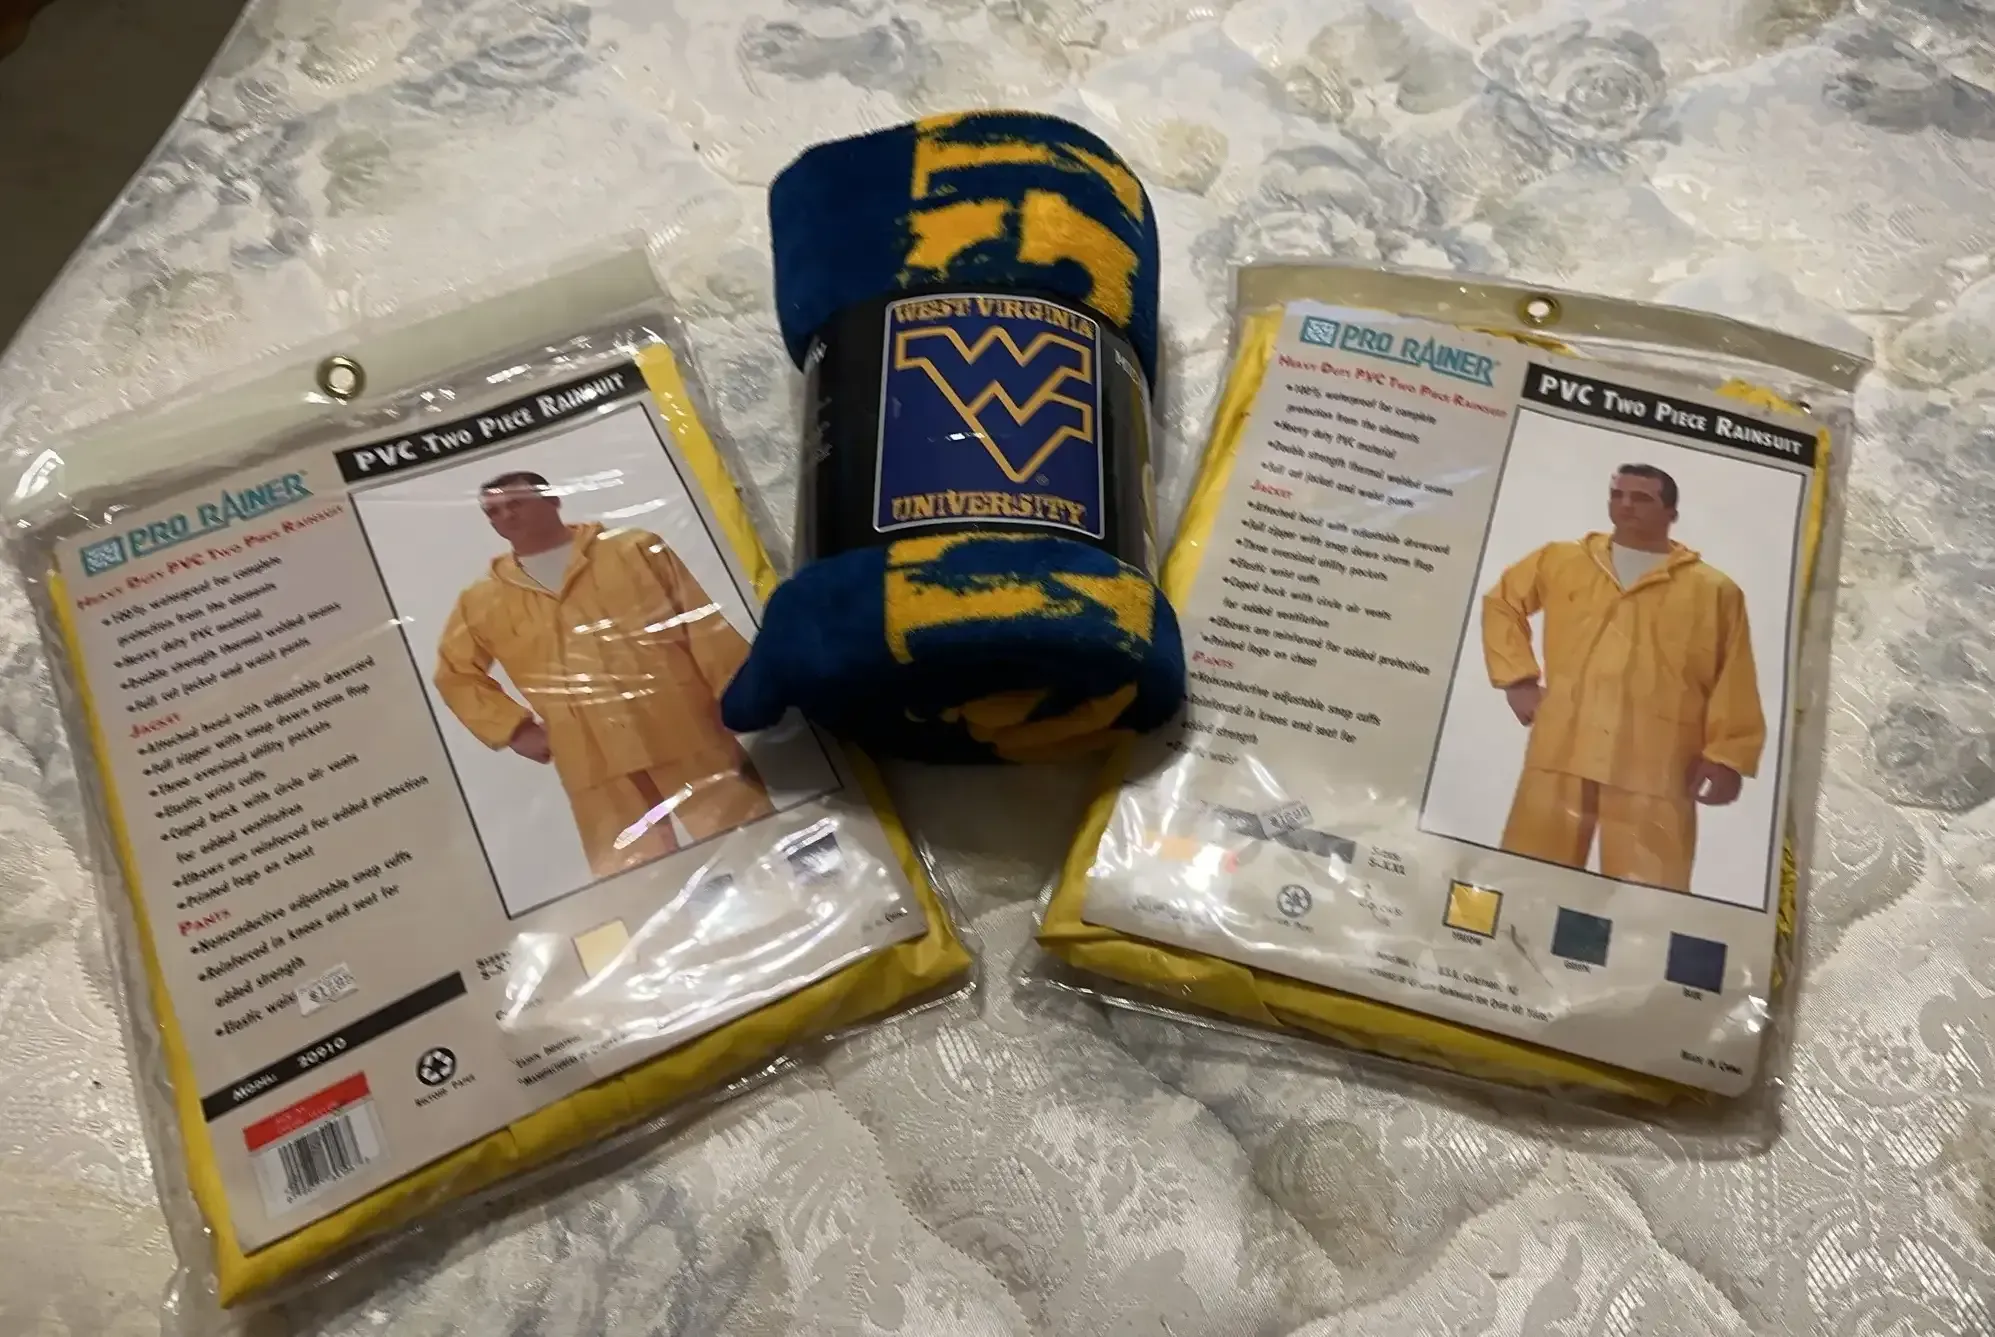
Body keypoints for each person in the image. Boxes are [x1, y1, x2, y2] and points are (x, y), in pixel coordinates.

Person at [434, 470, 774, 879]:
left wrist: (744, 695)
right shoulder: (481, 600)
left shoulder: (635, 550)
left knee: (751, 836)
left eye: (516, 503)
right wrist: (514, 729)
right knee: (638, 877)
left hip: (682, 725)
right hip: (589, 755)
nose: (505, 516)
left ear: (553, 498)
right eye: (493, 511)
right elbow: (455, 673)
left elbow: (700, 623)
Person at [1480, 464, 1764, 893]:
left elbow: (1734, 674)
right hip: (1564, 742)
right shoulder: (1560, 560)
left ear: (1671, 512)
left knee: (1649, 898)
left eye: (1642, 497)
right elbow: (1502, 604)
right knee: (1527, 879)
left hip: (1659, 759)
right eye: (1618, 495)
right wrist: (1518, 680)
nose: (1626, 505)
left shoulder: (1714, 591)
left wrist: (1727, 755)